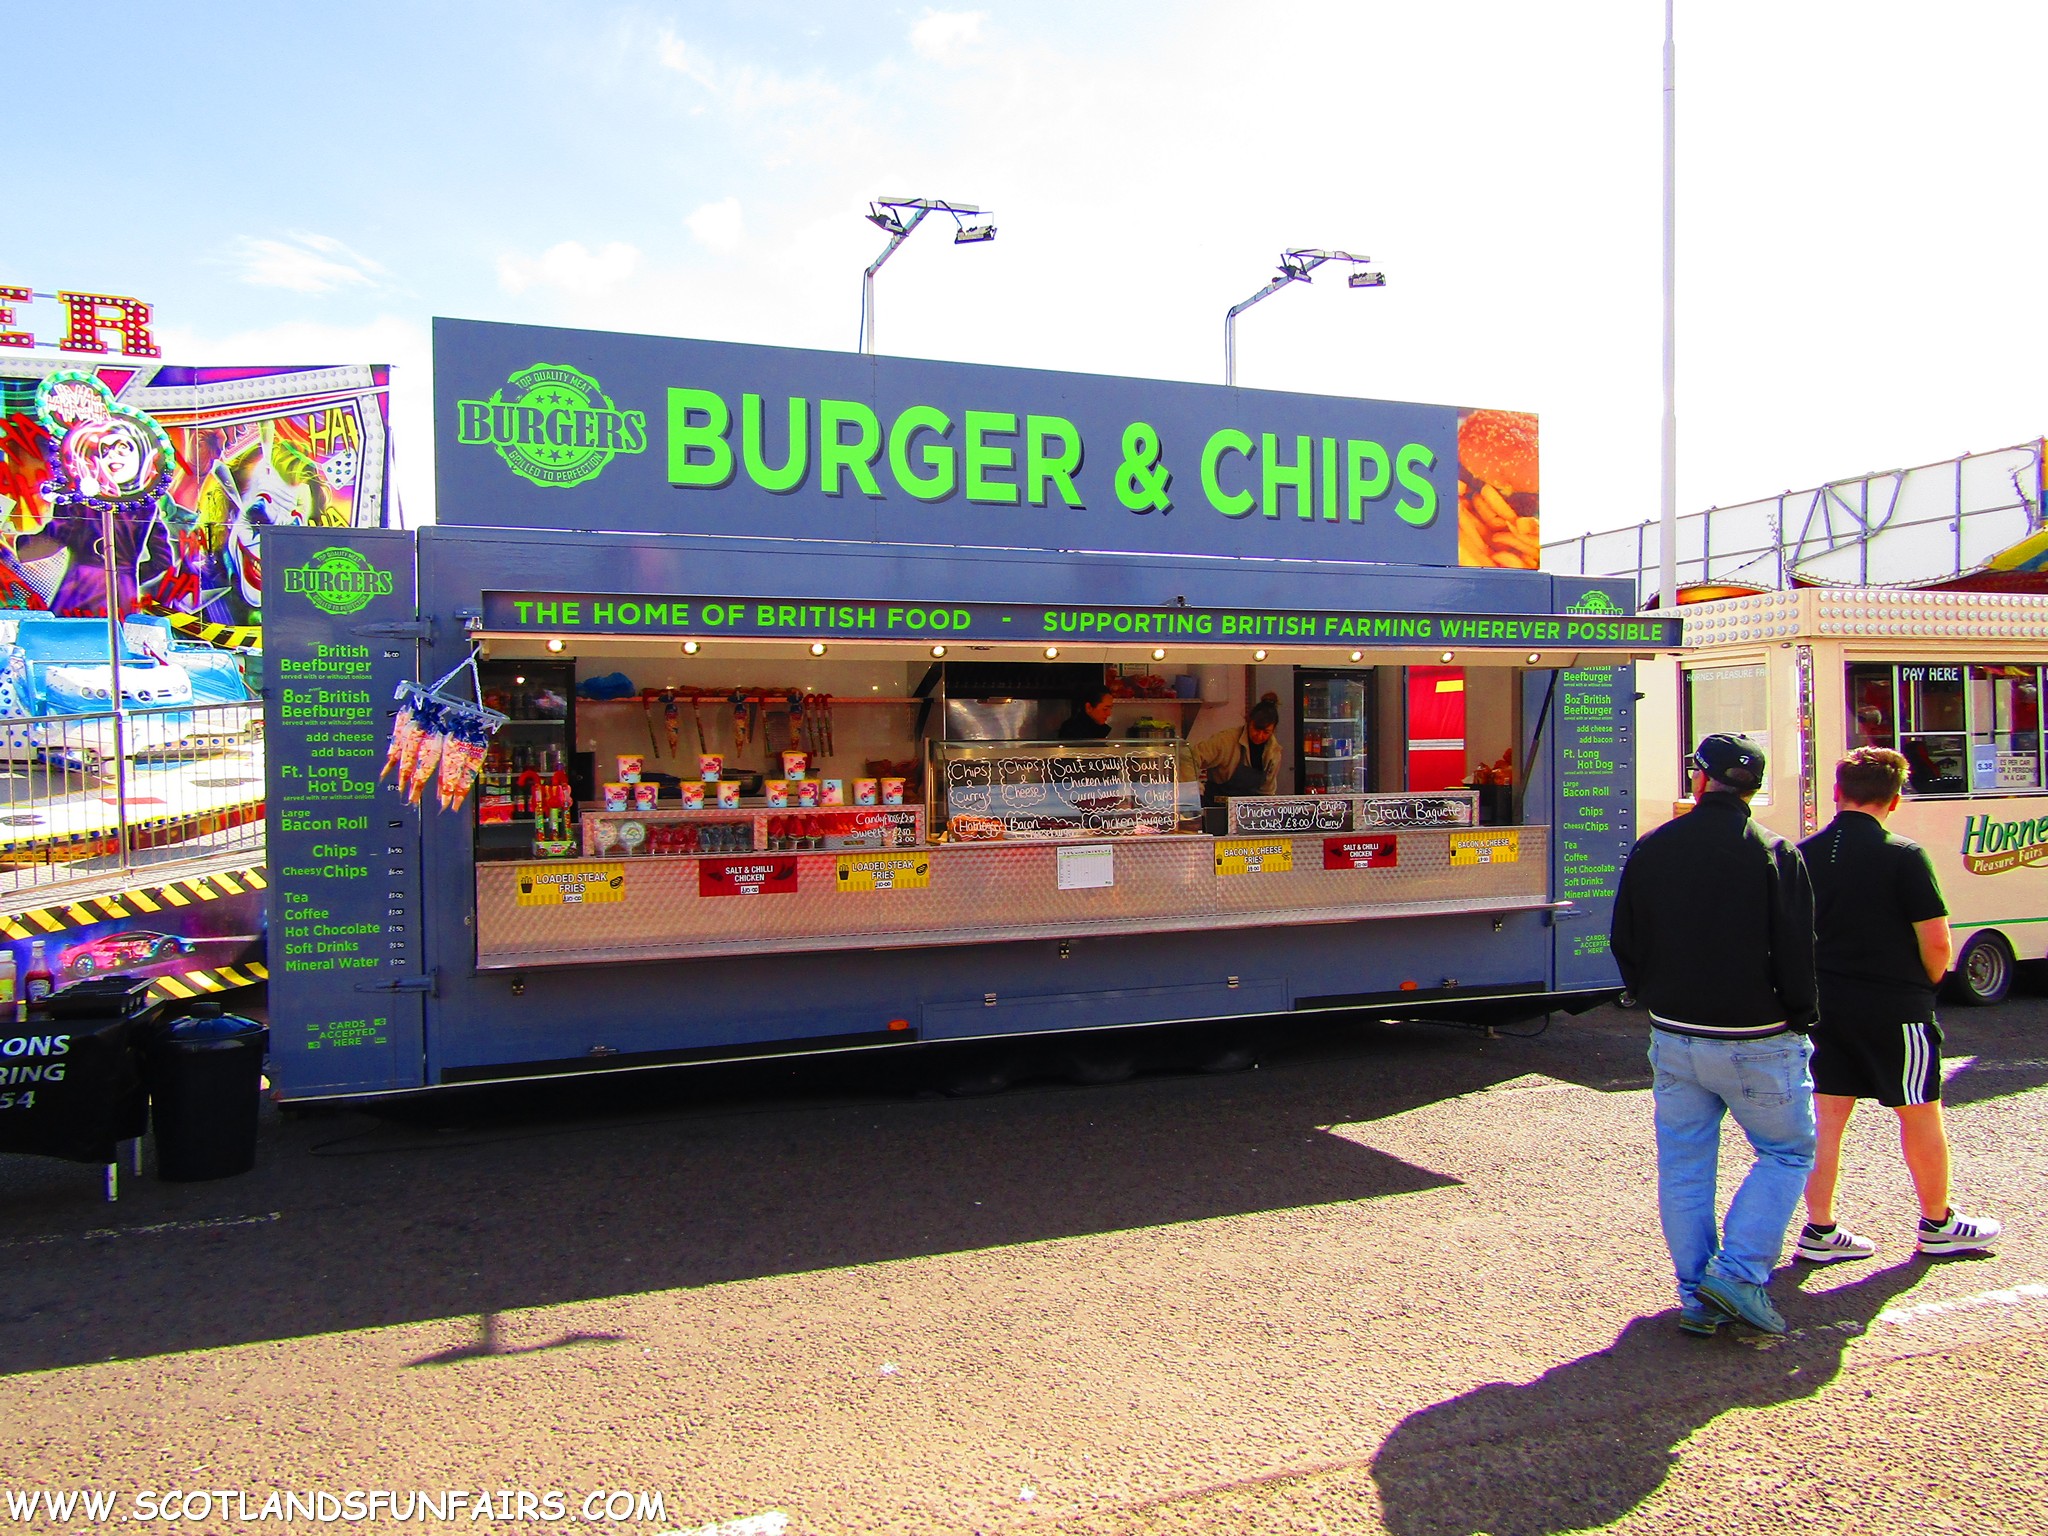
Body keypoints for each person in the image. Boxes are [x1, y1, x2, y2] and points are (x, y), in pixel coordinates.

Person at [1611, 732, 1818, 1338]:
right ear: (1751, 787)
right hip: (1759, 1034)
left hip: (1675, 1033)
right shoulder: (1777, 853)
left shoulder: (1655, 848)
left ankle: (1697, 1296)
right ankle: (1737, 1273)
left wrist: (1648, 992)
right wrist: (1801, 1013)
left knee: (1685, 1165)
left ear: (1700, 779)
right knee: (1786, 1152)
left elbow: (1627, 937)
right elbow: (1799, 951)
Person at [1796, 747, 2003, 1262]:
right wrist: (1925, 985)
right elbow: (1936, 943)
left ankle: (1819, 1229)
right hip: (1895, 1007)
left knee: (1826, 1117)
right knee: (1919, 1112)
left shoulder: (1801, 854)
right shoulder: (1903, 854)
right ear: (1895, 800)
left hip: (1822, 1007)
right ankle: (1937, 1222)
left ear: (1837, 792)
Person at [1192, 693, 1281, 802]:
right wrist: (1193, 790)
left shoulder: (1273, 753)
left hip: (1246, 812)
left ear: (1273, 730)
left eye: (1266, 732)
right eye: (1256, 729)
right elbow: (1191, 758)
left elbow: (1267, 792)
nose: (1260, 736)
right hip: (1216, 807)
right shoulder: (1225, 740)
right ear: (1248, 721)